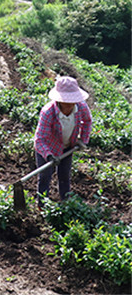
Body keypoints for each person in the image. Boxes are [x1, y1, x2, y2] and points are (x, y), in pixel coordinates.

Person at [34, 76, 92, 207]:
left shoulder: (81, 106)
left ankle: (66, 203)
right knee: (45, 177)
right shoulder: (48, 112)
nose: (70, 104)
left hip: (67, 147)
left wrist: (83, 140)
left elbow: (87, 122)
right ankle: (42, 206)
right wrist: (49, 156)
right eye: (66, 101)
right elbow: (39, 140)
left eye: (72, 101)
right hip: (47, 149)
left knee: (64, 176)